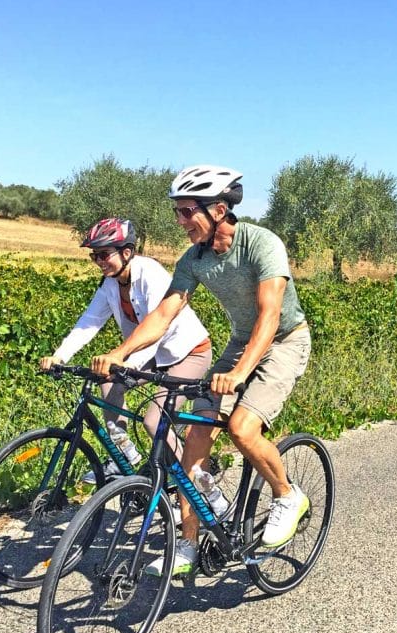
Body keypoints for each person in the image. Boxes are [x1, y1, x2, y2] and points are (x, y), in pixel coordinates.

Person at [91, 165, 312, 576]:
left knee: (243, 428)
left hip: (284, 341)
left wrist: (241, 372)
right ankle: (188, 544)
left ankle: (287, 495)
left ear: (219, 209)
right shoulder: (193, 260)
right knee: (193, 443)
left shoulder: (261, 244)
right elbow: (164, 313)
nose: (180, 221)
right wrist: (121, 352)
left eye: (186, 211)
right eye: (177, 212)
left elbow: (270, 315)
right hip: (241, 343)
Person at [39, 217, 213, 480]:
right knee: (107, 383)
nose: (99, 261)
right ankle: (124, 455)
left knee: (154, 422)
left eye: (104, 254)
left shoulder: (150, 274)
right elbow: (89, 322)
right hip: (151, 353)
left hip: (188, 352)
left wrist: (127, 363)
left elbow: (158, 328)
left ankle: (194, 487)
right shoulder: (110, 283)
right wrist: (59, 355)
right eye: (94, 256)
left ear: (127, 252)